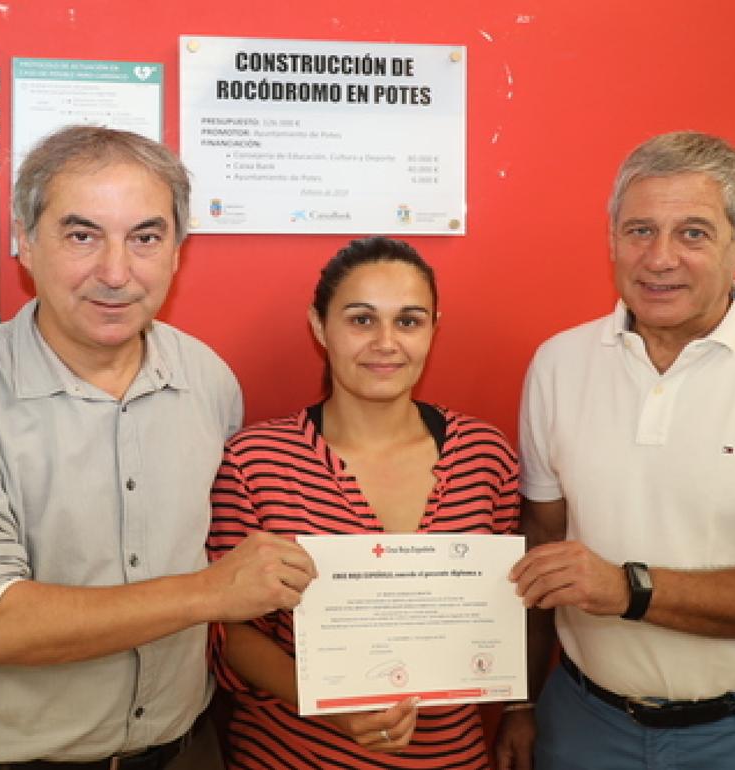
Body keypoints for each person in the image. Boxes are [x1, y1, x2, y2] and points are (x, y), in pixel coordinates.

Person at [0, 125, 316, 769]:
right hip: (4, 759)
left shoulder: (207, 381)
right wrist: (209, 593)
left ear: (178, 251)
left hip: (181, 747)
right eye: (82, 235)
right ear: (25, 242)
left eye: (145, 237)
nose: (116, 273)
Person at [510, 131, 735, 770]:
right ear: (611, 239)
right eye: (640, 230)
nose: (659, 258)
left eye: (694, 233)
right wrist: (519, 703)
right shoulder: (557, 365)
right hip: (583, 723)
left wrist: (631, 590)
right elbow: (539, 553)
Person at [207, 236, 530, 769]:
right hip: (293, 756)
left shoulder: (485, 455)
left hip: (450, 757)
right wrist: (333, 707)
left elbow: (504, 606)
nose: (386, 342)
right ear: (319, 327)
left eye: (408, 321)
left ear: (433, 329)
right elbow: (233, 632)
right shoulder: (254, 460)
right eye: (361, 320)